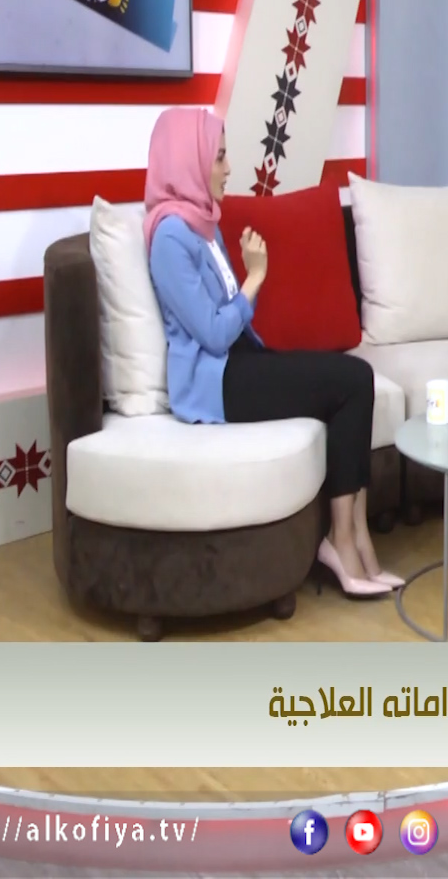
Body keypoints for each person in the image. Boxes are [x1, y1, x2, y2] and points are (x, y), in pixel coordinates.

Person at [143, 107, 400, 599]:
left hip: (240, 361)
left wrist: (247, 280)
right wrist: (255, 277)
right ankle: (342, 542)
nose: (228, 169)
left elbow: (230, 317)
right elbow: (213, 333)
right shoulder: (170, 238)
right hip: (214, 384)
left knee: (354, 380)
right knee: (351, 381)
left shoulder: (201, 224)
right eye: (219, 157)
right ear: (189, 161)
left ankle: (358, 535)